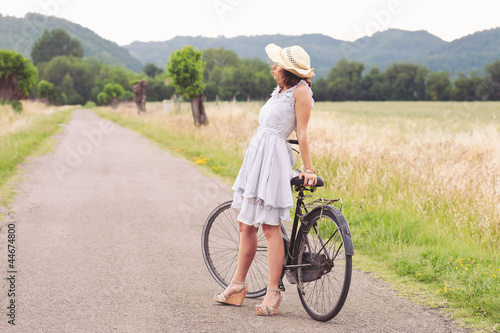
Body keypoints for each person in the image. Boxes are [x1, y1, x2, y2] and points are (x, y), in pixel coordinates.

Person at [214, 43, 317, 316]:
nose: (273, 67)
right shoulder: (279, 90)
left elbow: (303, 133)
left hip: (273, 160)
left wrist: (309, 169)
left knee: (270, 226)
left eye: (278, 64)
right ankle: (237, 286)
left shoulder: (301, 92)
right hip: (257, 156)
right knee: (246, 224)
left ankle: (273, 291)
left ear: (289, 71)